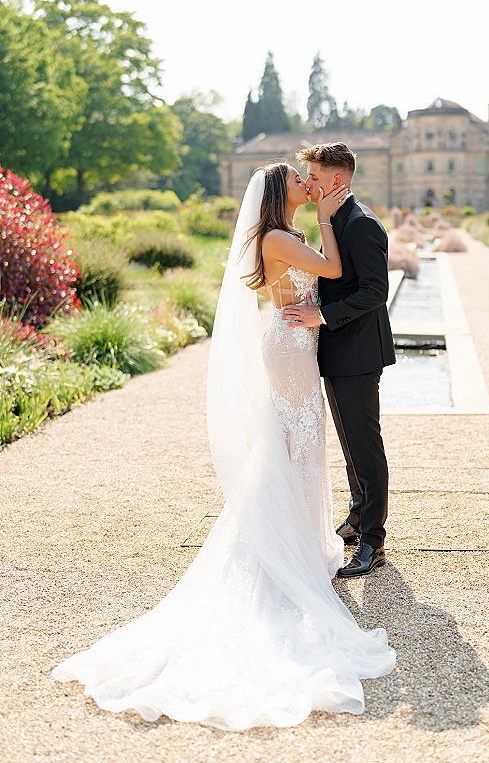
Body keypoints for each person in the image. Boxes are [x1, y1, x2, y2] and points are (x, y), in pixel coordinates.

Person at [51, 163, 395, 731]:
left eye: (316, 180)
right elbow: (332, 268)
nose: (310, 186)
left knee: (294, 453)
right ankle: (288, 551)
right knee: (295, 452)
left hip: (295, 346)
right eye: (301, 181)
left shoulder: (280, 234)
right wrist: (330, 217)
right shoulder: (281, 236)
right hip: (291, 351)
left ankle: (299, 542)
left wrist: (324, 226)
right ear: (284, 194)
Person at [282, 143, 396, 578]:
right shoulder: (333, 218)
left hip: (359, 352)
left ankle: (373, 542)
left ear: (336, 181)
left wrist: (321, 314)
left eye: (311, 176)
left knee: (365, 447)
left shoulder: (362, 224)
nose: (307, 183)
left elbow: (375, 291)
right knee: (349, 443)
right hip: (336, 350)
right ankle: (356, 517)